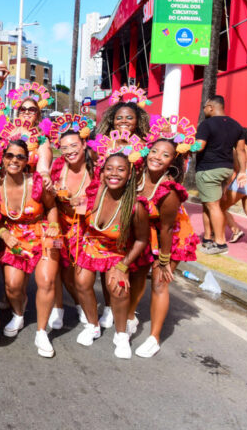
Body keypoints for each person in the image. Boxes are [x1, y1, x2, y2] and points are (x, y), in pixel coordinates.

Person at [128, 116, 200, 357]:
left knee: (159, 282)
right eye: (154, 151)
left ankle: (154, 338)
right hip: (145, 233)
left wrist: (164, 260)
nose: (157, 157)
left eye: (165, 155)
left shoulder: (169, 190)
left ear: (173, 161)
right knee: (138, 275)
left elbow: (167, 228)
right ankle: (130, 317)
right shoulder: (137, 175)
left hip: (171, 237)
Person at [75, 131, 149, 359]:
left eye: (121, 169)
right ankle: (92, 325)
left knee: (118, 287)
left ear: (130, 174)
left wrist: (123, 266)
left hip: (117, 252)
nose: (114, 173)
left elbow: (142, 240)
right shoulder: (94, 193)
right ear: (102, 171)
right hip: (91, 246)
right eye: (109, 168)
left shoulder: (136, 206)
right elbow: (79, 213)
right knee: (81, 281)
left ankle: (121, 334)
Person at [0, 133, 61, 358]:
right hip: (13, 237)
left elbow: (51, 207)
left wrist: (53, 225)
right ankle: (18, 314)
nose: (14, 160)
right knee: (12, 286)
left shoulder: (37, 183)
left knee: (47, 281)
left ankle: (41, 332)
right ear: (3, 158)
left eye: (20, 157)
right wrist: (3, 233)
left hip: (41, 234)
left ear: (27, 160)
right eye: (10, 155)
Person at [93, 86, 151, 329]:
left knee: (138, 266)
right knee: (106, 259)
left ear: (138, 121)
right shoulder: (102, 143)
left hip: (137, 207)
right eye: (119, 117)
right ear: (111, 120)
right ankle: (109, 306)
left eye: (129, 117)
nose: (124, 121)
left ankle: (129, 312)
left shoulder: (147, 145)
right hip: (109, 206)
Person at [46, 115, 99, 330]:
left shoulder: (96, 168)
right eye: (64, 147)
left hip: (85, 229)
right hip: (59, 225)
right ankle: (58, 308)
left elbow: (103, 199)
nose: (69, 151)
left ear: (84, 144)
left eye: (74, 145)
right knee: (57, 269)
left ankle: (82, 304)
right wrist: (52, 192)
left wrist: (83, 203)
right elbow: (49, 198)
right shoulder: (59, 166)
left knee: (79, 277)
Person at [196, 95, 246, 255]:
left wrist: (184, 146)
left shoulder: (206, 124)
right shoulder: (236, 125)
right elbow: (241, 150)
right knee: (208, 204)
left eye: (204, 107)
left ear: (211, 107)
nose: (204, 110)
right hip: (226, 170)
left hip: (208, 170)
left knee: (213, 206)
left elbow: (199, 146)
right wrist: (242, 171)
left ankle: (220, 243)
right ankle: (207, 239)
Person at [223, 128, 247, 252]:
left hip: (242, 180)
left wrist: (226, 187)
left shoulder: (238, 148)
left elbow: (236, 169)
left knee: (218, 207)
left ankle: (231, 231)